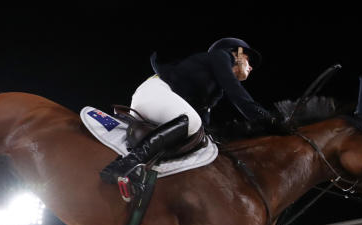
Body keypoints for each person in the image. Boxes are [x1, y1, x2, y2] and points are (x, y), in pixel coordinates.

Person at [100, 37, 273, 188]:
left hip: (160, 103)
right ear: (237, 53)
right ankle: (124, 165)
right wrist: (267, 120)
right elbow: (238, 95)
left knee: (202, 137)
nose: (250, 67)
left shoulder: (214, 89)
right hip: (155, 91)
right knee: (191, 121)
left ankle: (144, 173)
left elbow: (205, 122)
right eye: (249, 60)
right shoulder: (222, 56)